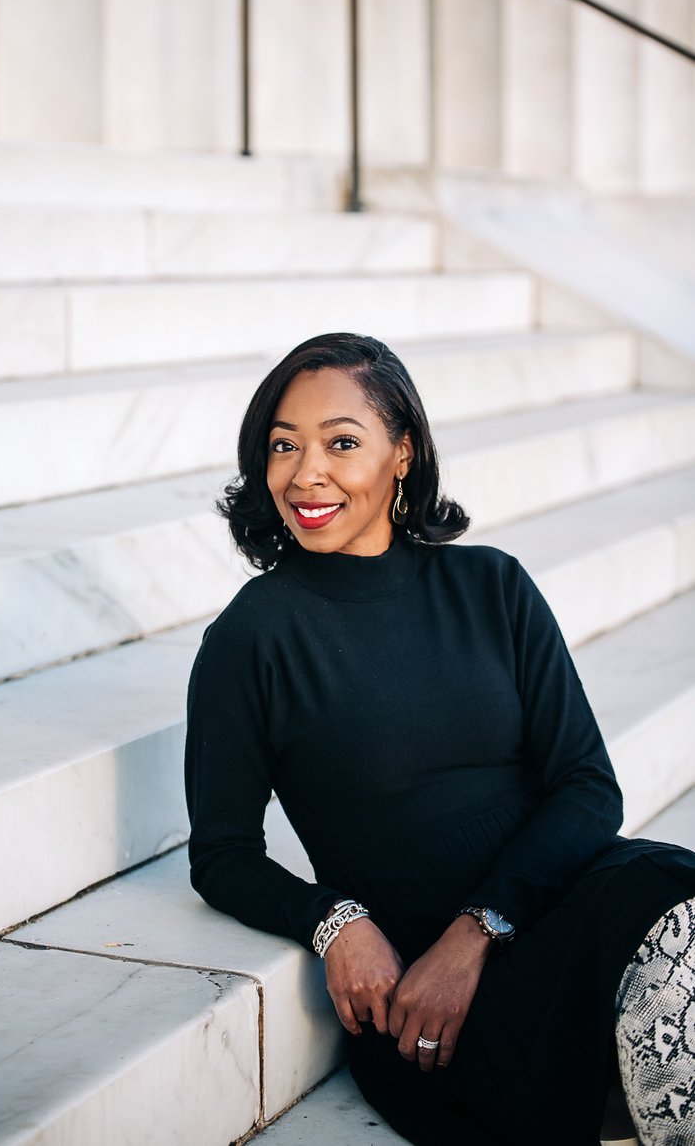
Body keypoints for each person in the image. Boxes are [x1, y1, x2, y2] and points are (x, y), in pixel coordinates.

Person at [185, 333, 695, 1145]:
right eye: (284, 445)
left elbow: (588, 788)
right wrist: (334, 920)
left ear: (402, 455)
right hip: (427, 991)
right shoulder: (252, 639)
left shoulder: (491, 585)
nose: (305, 473)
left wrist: (478, 931)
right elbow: (220, 853)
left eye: (341, 443)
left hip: (562, 904)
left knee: (677, 916)